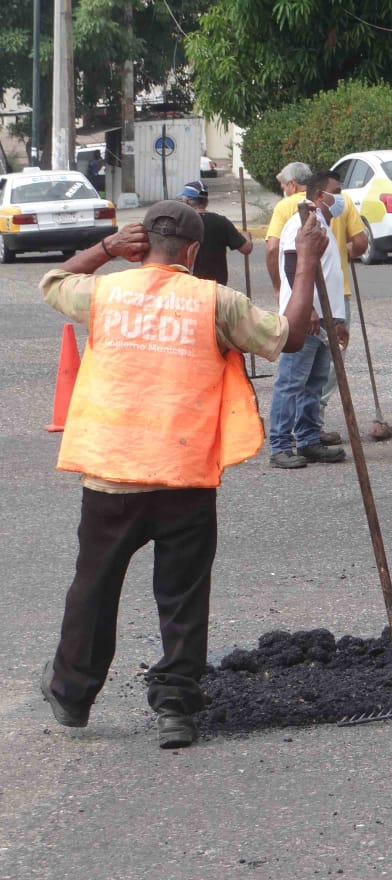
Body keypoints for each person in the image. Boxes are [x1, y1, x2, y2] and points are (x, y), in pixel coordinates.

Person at [38, 200, 330, 749]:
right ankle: (176, 707)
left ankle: (72, 695)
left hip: (111, 475)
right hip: (185, 476)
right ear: (194, 252)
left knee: (94, 588)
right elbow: (290, 337)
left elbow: (52, 280)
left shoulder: (104, 293)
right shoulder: (215, 302)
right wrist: (307, 262)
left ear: (140, 244)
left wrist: (104, 250)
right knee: (182, 596)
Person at [266, 167, 367, 445]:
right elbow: (290, 264)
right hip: (306, 320)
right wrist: (308, 309)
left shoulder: (322, 222)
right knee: (291, 381)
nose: (341, 199)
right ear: (321, 195)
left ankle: (309, 438)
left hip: (327, 320)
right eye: (336, 194)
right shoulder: (303, 222)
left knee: (315, 382)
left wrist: (337, 320)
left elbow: (330, 275)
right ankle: (281, 444)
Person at [179, 180, 252, 286]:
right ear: (206, 201)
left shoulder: (181, 222)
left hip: (189, 285)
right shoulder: (221, 222)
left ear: (186, 202)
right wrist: (246, 236)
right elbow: (246, 248)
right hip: (216, 286)